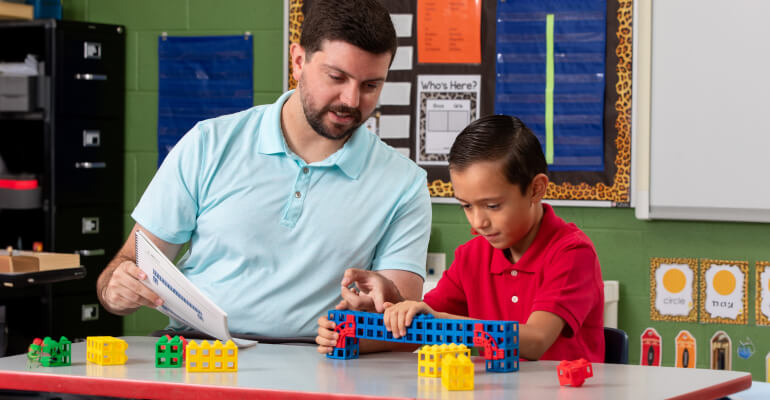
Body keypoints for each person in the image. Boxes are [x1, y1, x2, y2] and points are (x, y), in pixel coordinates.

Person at [96, 0, 431, 338]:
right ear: (298, 61)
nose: (352, 100)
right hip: (196, 351)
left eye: (371, 85)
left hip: (319, 357)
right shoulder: (208, 144)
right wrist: (117, 288)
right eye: (337, 77)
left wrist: (377, 311)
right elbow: (127, 266)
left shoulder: (403, 183)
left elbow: (401, 316)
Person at [317, 115, 604, 362]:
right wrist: (352, 335)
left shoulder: (572, 253)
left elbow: (536, 341)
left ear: (536, 189)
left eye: (493, 206)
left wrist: (437, 321)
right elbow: (421, 328)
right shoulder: (472, 256)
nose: (478, 222)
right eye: (467, 205)